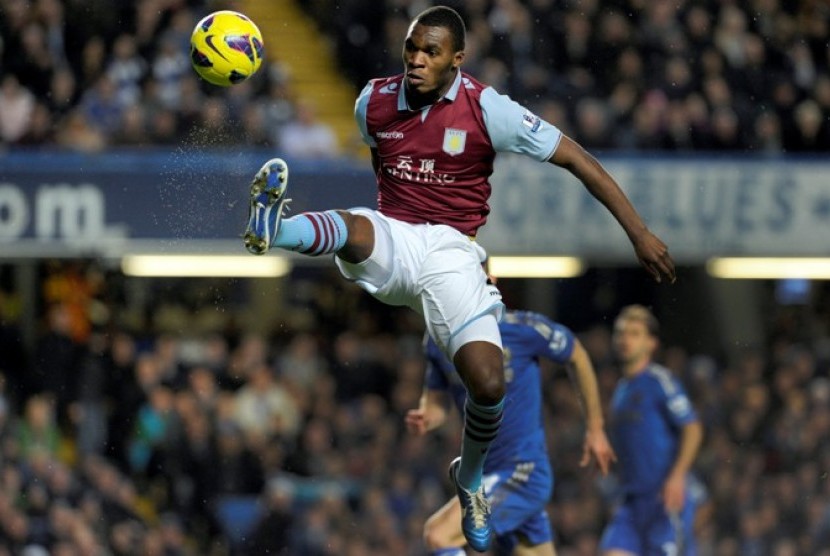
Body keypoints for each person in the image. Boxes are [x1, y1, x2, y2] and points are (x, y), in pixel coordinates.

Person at [243, 6, 675, 551]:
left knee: (489, 381)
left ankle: (468, 481)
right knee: (356, 226)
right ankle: (272, 230)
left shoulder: (488, 108)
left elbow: (577, 159)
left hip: (453, 253)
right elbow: (383, 167)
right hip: (398, 236)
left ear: (457, 59)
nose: (417, 61)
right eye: (411, 49)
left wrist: (637, 232)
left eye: (431, 52)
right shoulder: (371, 102)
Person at [406, 301, 617, 555]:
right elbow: (437, 402)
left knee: (439, 535)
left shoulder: (521, 328)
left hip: (523, 471)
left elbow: (577, 354)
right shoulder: (438, 338)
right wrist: (427, 416)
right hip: (484, 475)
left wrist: (595, 428)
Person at [599, 305, 703, 556]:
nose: (626, 340)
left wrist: (678, 475)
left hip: (663, 498)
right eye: (621, 333)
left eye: (635, 333)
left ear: (651, 343)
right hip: (632, 501)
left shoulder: (660, 381)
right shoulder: (621, 390)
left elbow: (692, 427)